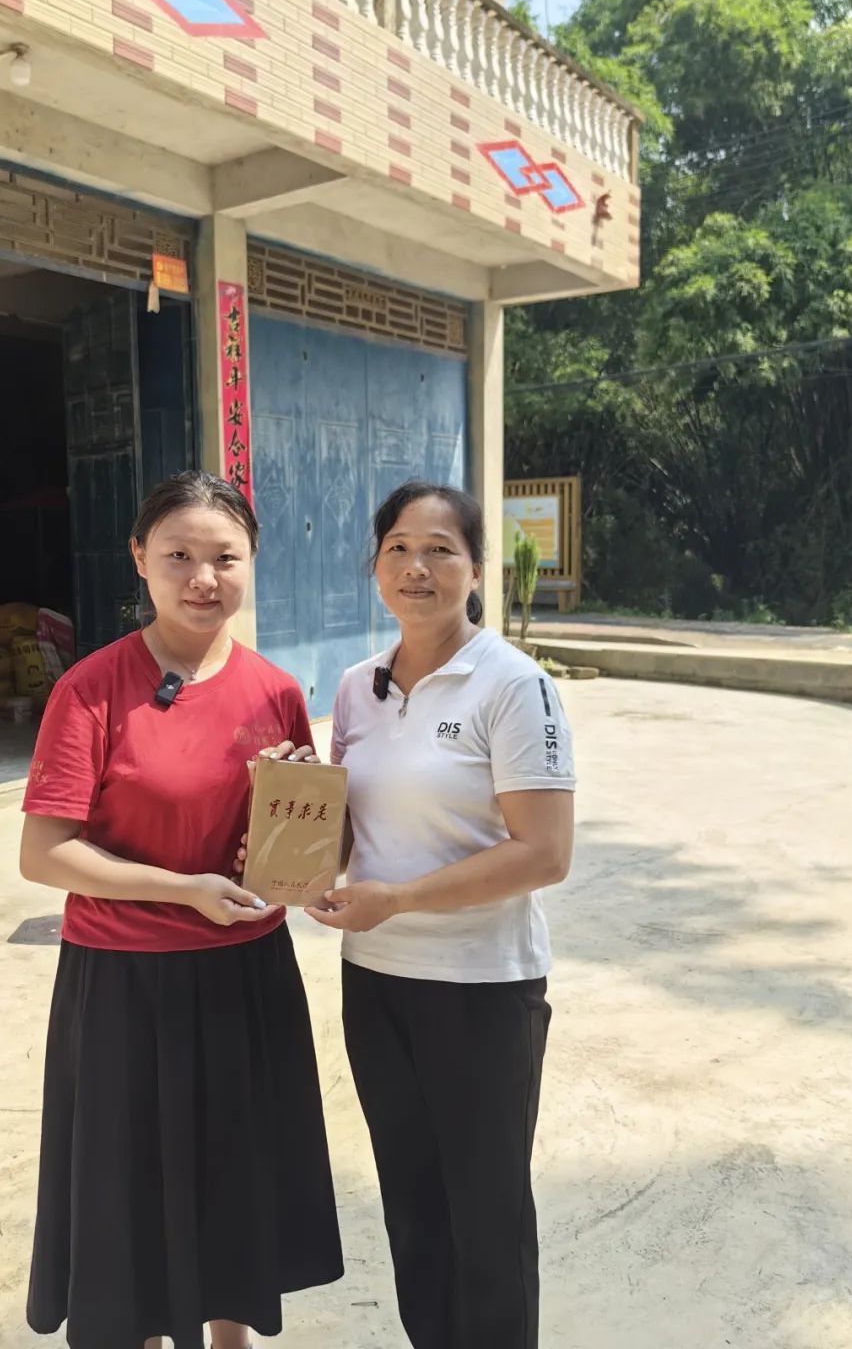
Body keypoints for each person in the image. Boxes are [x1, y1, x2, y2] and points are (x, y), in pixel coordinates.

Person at [19, 470, 343, 1349]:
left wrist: (286, 853)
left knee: (234, 1182)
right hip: (125, 985)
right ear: (140, 559)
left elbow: (299, 843)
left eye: (225, 558)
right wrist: (185, 890)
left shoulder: (277, 693)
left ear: (253, 562)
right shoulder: (91, 689)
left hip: (246, 978)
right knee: (135, 1195)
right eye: (179, 556)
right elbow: (45, 853)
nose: (204, 578)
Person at [309, 480, 575, 1349]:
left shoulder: (514, 685)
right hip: (375, 986)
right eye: (398, 548)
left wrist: (402, 901)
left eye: (439, 550)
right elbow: (351, 835)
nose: (415, 567)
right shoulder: (356, 687)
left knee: (487, 1219)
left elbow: (545, 853)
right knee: (414, 1208)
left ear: (475, 569)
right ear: (375, 565)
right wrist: (290, 824)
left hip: (480, 990)